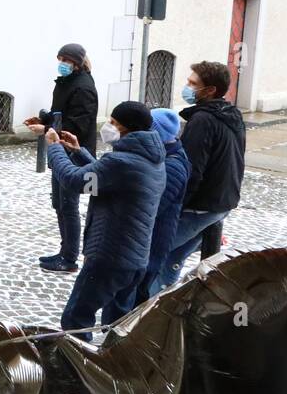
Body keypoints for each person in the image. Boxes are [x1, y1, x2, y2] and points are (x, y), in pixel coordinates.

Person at [45, 101, 165, 342]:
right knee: (117, 324)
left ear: (127, 129)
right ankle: (116, 367)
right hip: (136, 258)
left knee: (76, 319)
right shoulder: (151, 159)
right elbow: (104, 178)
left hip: (109, 257)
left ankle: (78, 370)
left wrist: (54, 147)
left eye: (113, 123)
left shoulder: (122, 161)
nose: (108, 126)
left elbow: (75, 181)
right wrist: (79, 152)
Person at [150, 61, 246, 294]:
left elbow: (190, 170)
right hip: (221, 200)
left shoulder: (203, 120)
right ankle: (159, 305)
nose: (187, 87)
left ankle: (142, 312)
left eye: (193, 83)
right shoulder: (230, 114)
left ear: (210, 90)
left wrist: (174, 206)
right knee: (173, 256)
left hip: (202, 205)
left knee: (155, 252)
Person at [25, 43, 98, 273]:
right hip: (60, 149)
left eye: (66, 60)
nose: (62, 64)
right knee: (59, 204)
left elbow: (77, 124)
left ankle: (69, 258)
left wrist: (45, 129)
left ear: (76, 62)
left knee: (68, 206)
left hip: (73, 152)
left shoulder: (83, 87)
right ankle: (64, 251)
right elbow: (61, 115)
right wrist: (45, 120)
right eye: (60, 59)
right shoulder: (67, 82)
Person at [137, 108, 191, 306]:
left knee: (138, 294)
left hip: (153, 242)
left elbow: (153, 207)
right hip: (146, 240)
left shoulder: (173, 165)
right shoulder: (160, 157)